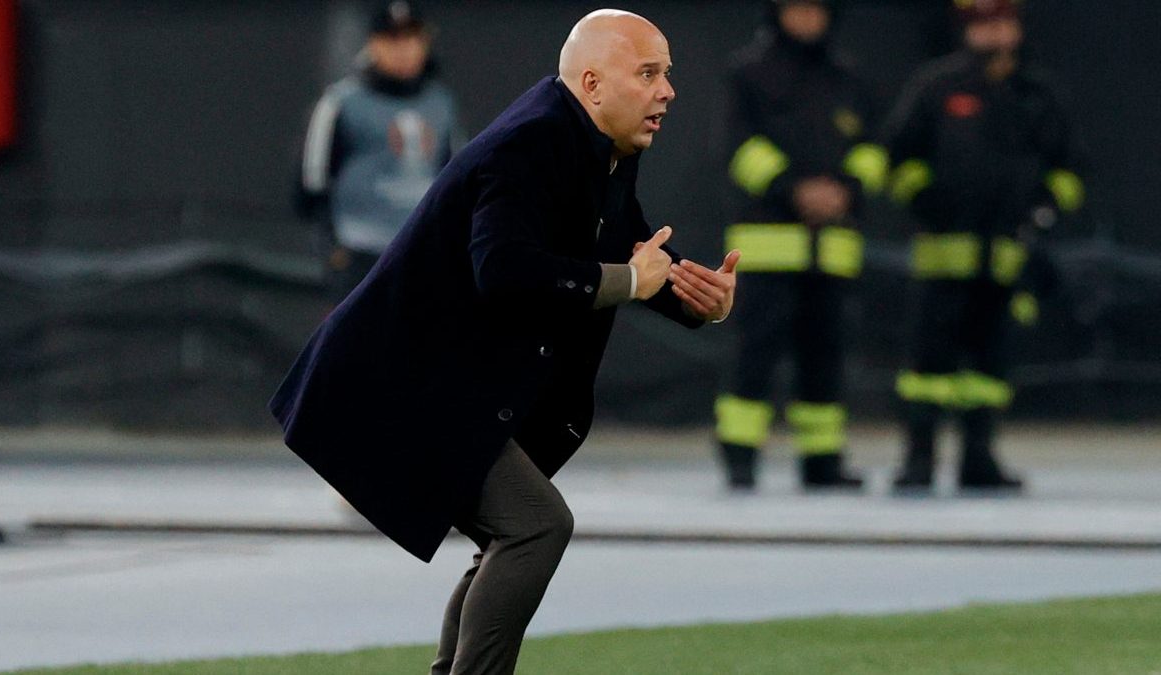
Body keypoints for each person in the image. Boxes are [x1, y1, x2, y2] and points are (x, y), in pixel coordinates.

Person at [269, 9, 739, 674]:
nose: (668, 90)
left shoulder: (599, 147)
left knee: (514, 531)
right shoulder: (532, 143)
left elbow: (632, 254)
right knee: (536, 524)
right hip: (408, 381)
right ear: (594, 84)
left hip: (446, 383)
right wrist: (631, 279)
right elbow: (507, 272)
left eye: (667, 73)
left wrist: (699, 302)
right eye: (649, 73)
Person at [883, 0, 1085, 493]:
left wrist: (1044, 206)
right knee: (928, 367)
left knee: (989, 368)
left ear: (1016, 27)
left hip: (1005, 254)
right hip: (942, 254)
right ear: (967, 30)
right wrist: (925, 199)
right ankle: (919, 459)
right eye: (984, 24)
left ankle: (979, 459)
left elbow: (1071, 168)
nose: (995, 33)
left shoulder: (1038, 93)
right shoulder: (937, 85)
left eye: (1003, 22)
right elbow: (896, 155)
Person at [714, 0, 884, 491]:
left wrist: (847, 188)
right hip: (767, 246)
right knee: (755, 353)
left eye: (817, 9)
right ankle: (740, 455)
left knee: (825, 357)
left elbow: (873, 149)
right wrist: (793, 188)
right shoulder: (748, 72)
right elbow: (738, 145)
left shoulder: (848, 77)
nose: (808, 18)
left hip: (831, 249)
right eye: (798, 9)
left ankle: (823, 459)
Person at [295, 1, 463, 306]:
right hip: (361, 253)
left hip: (422, 252)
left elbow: (456, 178)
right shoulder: (341, 103)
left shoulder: (441, 104)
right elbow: (312, 183)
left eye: (411, 38)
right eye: (392, 39)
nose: (403, 49)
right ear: (373, 43)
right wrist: (333, 248)